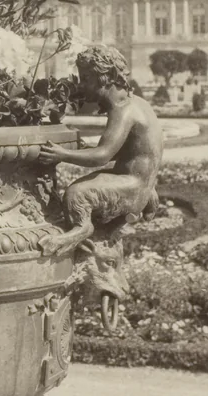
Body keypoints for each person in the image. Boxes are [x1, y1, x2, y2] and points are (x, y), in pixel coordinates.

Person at [37, 44, 162, 255]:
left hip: (134, 187)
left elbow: (102, 156)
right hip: (144, 185)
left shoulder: (123, 110)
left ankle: (80, 230)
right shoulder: (137, 102)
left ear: (105, 77)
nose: (82, 85)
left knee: (76, 193)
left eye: (86, 78)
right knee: (87, 185)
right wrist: (85, 149)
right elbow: (131, 151)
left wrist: (62, 154)